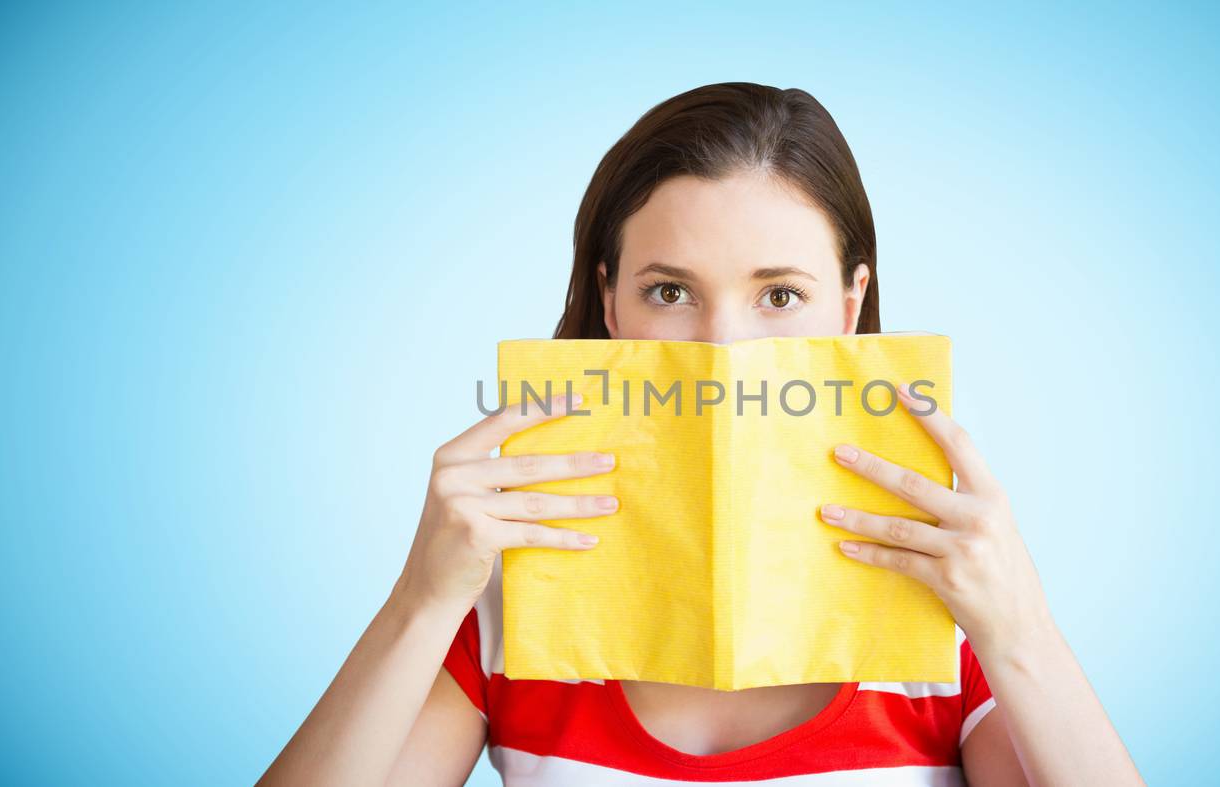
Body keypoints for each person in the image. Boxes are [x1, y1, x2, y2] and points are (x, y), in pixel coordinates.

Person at [261, 82, 1145, 786]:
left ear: (851, 304)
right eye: (671, 292)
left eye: (780, 295)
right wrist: (421, 599)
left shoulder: (950, 621)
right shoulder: (507, 608)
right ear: (610, 302)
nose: (724, 350)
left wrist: (1019, 629)